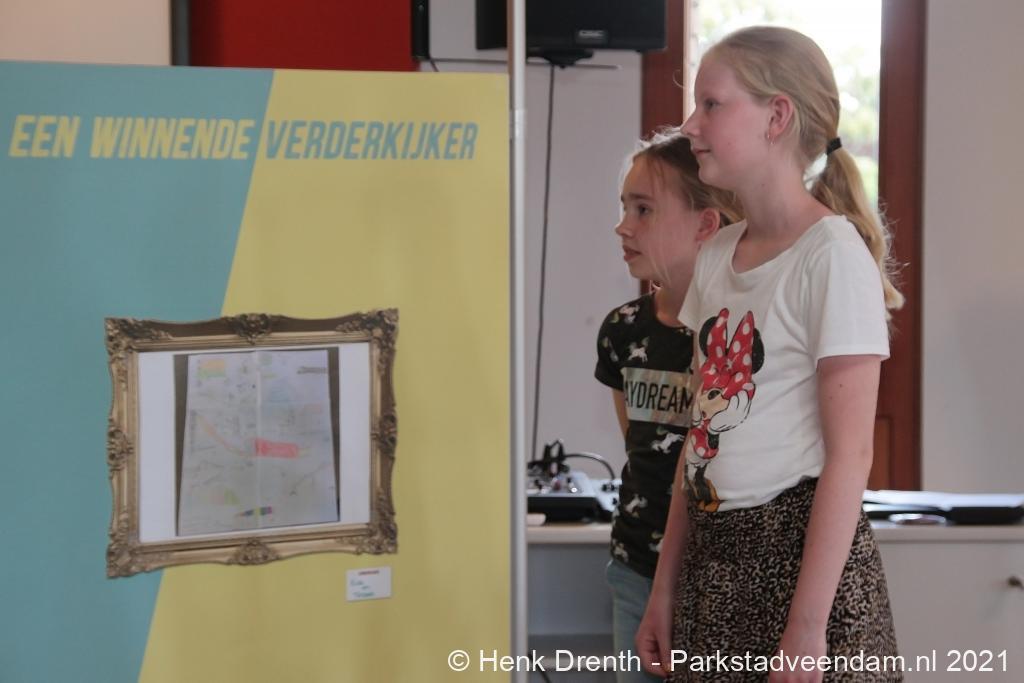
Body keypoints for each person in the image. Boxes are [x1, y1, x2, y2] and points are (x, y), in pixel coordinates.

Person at [635, 26, 904, 682]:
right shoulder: (719, 255)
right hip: (713, 563)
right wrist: (664, 588)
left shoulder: (831, 255)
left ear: (776, 116)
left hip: (798, 569)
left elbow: (850, 456)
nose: (690, 126)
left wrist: (807, 627)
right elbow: (700, 438)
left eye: (711, 104)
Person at [595, 130, 741, 683]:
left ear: (706, 224)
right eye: (624, 207)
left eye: (644, 209)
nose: (623, 226)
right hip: (636, 568)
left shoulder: (735, 335)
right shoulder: (622, 330)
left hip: (718, 575)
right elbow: (638, 448)